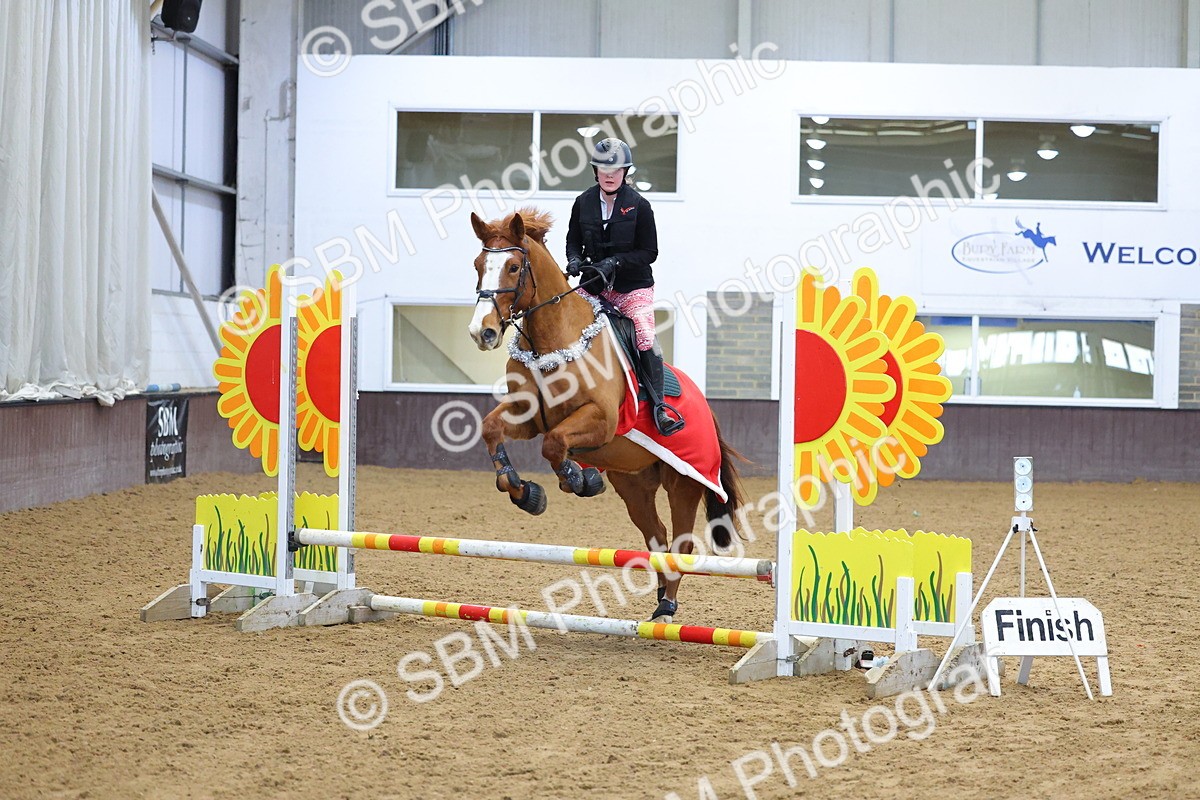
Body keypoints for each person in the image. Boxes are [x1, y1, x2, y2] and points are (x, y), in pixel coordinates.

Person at [565, 138, 683, 435]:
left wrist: (615, 262)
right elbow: (572, 240)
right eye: (603, 167)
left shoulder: (640, 206)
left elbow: (649, 252)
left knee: (644, 334)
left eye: (615, 168)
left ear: (625, 171)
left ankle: (659, 406)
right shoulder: (583, 202)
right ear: (595, 171)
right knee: (563, 317)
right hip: (594, 286)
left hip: (633, 288)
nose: (609, 173)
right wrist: (575, 259)